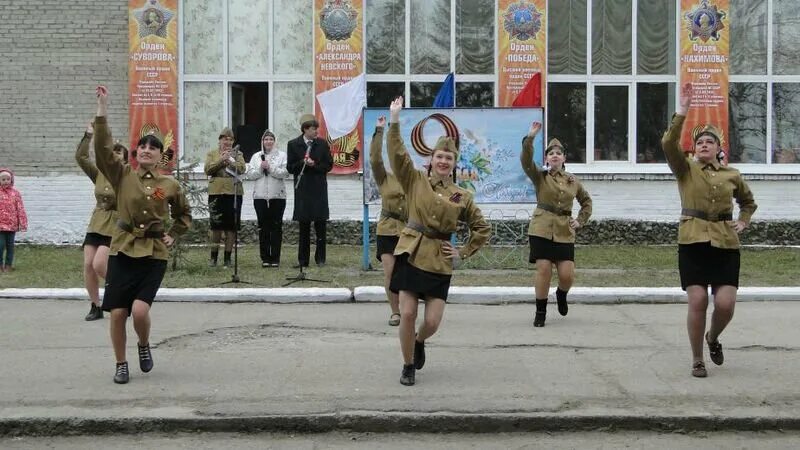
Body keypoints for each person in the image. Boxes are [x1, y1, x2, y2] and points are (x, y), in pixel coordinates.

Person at [387, 97, 490, 386]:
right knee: (407, 313)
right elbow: (397, 155)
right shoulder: (415, 180)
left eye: (449, 158)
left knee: (431, 322)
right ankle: (408, 364)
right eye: (439, 156)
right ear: (431, 159)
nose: (443, 161)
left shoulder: (462, 195)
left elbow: (482, 228)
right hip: (411, 252)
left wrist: (463, 251)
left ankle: (419, 342)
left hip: (440, 261)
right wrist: (394, 120)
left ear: (454, 163)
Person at [93, 85, 192, 384]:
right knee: (118, 313)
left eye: (153, 147)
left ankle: (144, 345)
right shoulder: (122, 175)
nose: (147, 150)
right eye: (142, 146)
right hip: (123, 250)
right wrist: (102, 109)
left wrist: (174, 233)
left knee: (138, 311)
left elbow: (184, 214)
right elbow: (102, 149)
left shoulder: (169, 184)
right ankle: (121, 363)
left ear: (161, 155)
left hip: (153, 254)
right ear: (136, 153)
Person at [662, 83, 757, 378]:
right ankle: (696, 359)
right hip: (692, 240)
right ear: (694, 148)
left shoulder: (733, 175)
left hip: (726, 242)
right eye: (700, 141)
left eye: (710, 141)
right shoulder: (685, 169)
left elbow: (748, 202)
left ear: (719, 148)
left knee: (726, 304)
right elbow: (668, 143)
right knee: (699, 300)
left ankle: (712, 337)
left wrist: (743, 220)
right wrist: (683, 110)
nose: (704, 144)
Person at [521, 121, 592, 328]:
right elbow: (526, 160)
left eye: (558, 153)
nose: (554, 155)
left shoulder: (573, 180)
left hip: (564, 230)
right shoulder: (540, 176)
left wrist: (580, 220)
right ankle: (540, 311)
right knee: (543, 269)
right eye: (550, 153)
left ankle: (561, 294)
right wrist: (531, 137)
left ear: (564, 158)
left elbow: (586, 202)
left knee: (567, 275)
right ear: (546, 158)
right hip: (541, 228)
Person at [75, 121, 128, 321]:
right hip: (96, 221)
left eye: (120, 152)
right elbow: (81, 157)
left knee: (99, 265)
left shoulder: (125, 176)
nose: (115, 154)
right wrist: (88, 135)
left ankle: (123, 292)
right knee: (88, 265)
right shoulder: (99, 174)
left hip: (114, 223)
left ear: (124, 158)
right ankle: (95, 306)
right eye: (113, 151)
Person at [369, 115, 405, 326]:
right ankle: (395, 311)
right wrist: (379, 131)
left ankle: (409, 308)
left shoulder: (414, 177)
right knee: (390, 272)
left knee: (408, 273)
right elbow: (374, 159)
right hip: (387, 230)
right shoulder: (384, 177)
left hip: (409, 230)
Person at [287, 113, 333, 268]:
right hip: (303, 190)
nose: (316, 132)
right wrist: (302, 162)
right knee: (304, 227)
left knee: (320, 226)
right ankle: (303, 260)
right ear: (305, 129)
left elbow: (328, 165)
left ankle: (320, 258)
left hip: (319, 189)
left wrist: (315, 165)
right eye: (314, 129)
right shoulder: (293, 144)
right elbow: (290, 167)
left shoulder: (322, 144)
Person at [246, 130, 289, 267]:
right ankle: (265, 258)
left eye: (271, 139)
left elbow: (285, 172)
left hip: (277, 196)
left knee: (276, 227)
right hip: (260, 197)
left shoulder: (282, 156)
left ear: (274, 141)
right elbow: (250, 175)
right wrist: (260, 168)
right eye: (266, 139)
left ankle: (275, 258)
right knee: (263, 227)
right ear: (262, 142)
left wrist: (270, 168)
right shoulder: (256, 156)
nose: (268, 142)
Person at [204, 127, 246, 268]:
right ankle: (213, 258)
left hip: (233, 192)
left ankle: (227, 258)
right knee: (216, 226)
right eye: (224, 139)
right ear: (220, 140)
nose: (227, 142)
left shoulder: (238, 153)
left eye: (230, 139)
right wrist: (221, 160)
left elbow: (241, 169)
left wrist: (231, 161)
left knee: (231, 227)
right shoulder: (212, 154)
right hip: (216, 192)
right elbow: (207, 170)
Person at [0, 167, 28, 273]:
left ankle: (8, 265)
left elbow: (20, 208)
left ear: (11, 180)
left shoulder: (15, 193)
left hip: (12, 225)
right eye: (3, 179)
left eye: (8, 179)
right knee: (0, 246)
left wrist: (23, 223)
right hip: (0, 225)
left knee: (10, 247)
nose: (6, 181)